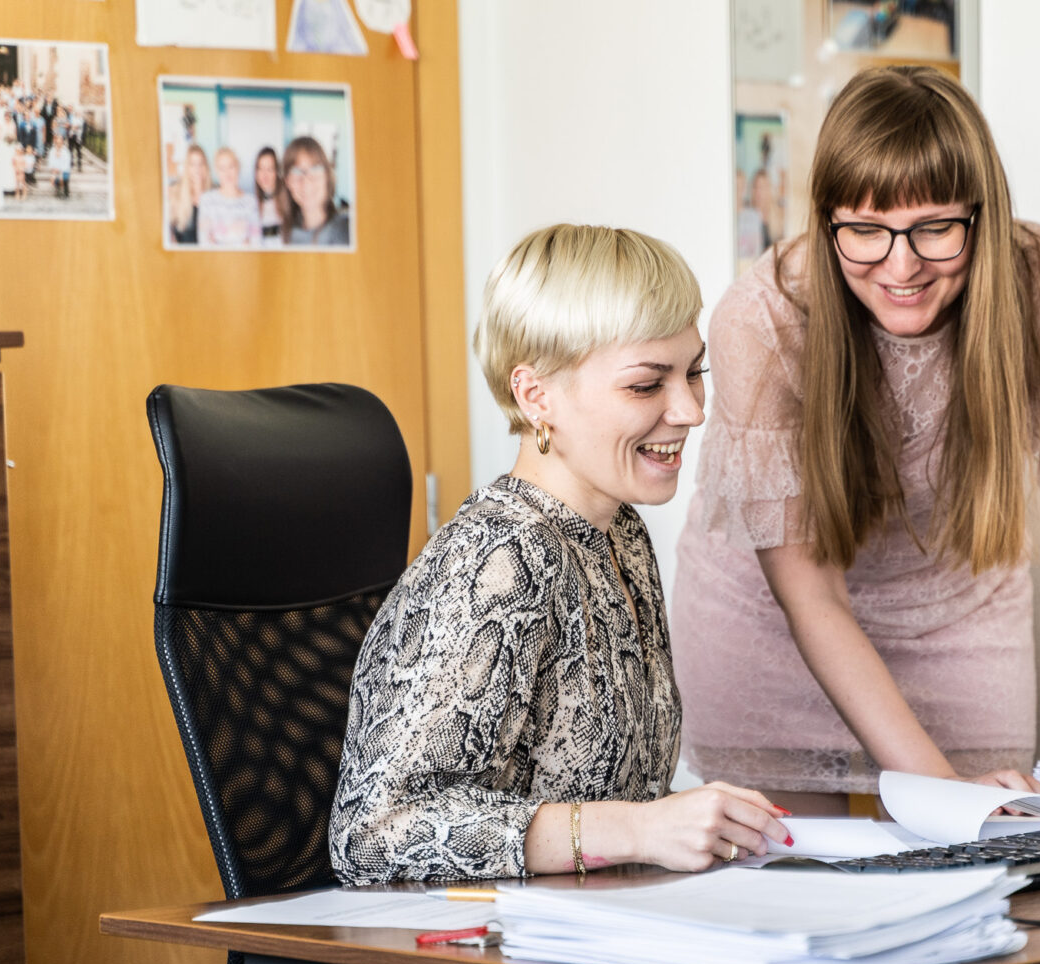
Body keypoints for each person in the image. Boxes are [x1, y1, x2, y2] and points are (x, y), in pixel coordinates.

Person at [673, 65, 1040, 813]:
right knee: (812, 896)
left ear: (981, 216)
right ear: (826, 219)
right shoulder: (761, 318)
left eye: (934, 228)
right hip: (777, 622)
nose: (901, 265)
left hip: (961, 613)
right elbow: (813, 598)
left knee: (989, 876)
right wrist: (943, 794)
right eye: (864, 231)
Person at [329, 225, 792, 883]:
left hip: (595, 929)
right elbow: (374, 836)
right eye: (646, 385)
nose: (689, 409)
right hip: (479, 961)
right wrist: (637, 829)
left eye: (694, 372)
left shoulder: (620, 532)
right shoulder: (497, 560)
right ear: (535, 395)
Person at [282, 136, 351, 247]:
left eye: (315, 169)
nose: (306, 181)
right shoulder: (285, 234)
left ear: (327, 177)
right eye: (296, 171)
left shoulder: (347, 230)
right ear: (287, 182)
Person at [198, 147, 262, 247]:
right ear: (217, 171)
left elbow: (256, 243)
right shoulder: (207, 200)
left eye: (231, 167)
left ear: (238, 167)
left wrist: (219, 244)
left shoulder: (251, 201)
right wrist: (242, 244)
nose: (227, 173)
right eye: (222, 168)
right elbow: (204, 243)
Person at [167, 143, 210, 245]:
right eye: (192, 164)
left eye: (201, 164)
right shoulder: (176, 193)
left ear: (206, 167)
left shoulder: (215, 192)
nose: (197, 169)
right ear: (187, 167)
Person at [253, 146, 290, 243]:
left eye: (269, 169)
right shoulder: (252, 203)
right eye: (260, 169)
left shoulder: (288, 200)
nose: (264, 175)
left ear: (277, 172)